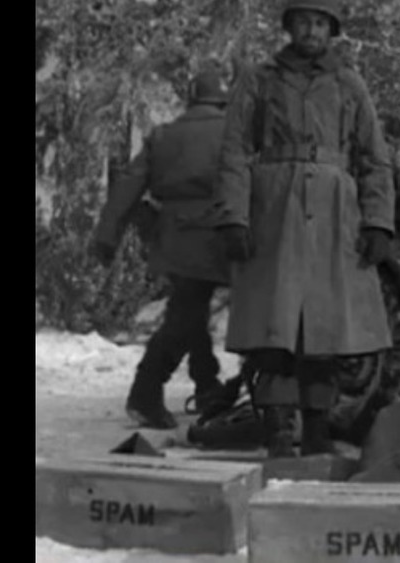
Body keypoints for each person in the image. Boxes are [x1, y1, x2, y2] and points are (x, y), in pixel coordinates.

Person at [213, 0, 395, 457]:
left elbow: (374, 158)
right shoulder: (259, 79)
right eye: (303, 22)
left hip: (335, 213)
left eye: (319, 22)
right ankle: (277, 430)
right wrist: (234, 215)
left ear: (330, 30)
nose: (310, 30)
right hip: (274, 208)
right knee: (277, 329)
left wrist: (378, 221)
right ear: (289, 26)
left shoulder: (349, 83)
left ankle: (317, 430)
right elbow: (234, 150)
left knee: (325, 331)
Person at [92, 71, 232, 429]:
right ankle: (145, 392)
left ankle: (206, 385)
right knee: (185, 316)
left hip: (171, 236)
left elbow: (128, 185)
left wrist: (107, 235)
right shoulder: (234, 134)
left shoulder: (163, 135)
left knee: (189, 306)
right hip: (215, 233)